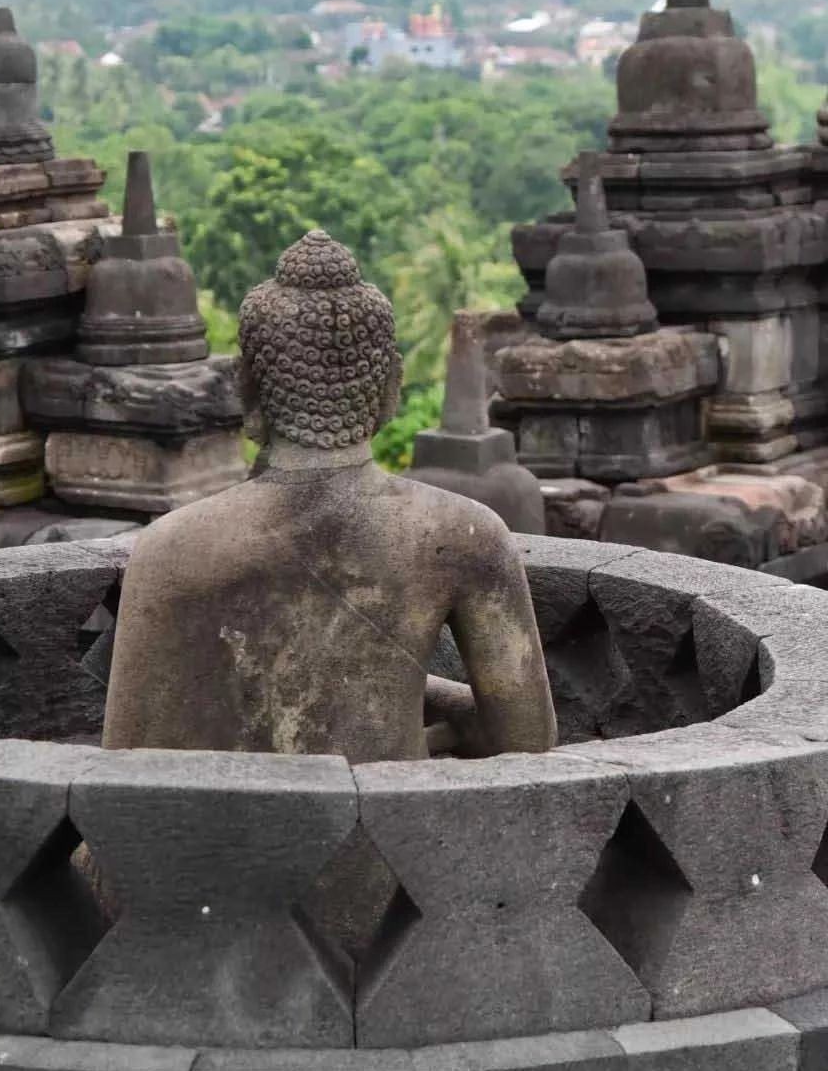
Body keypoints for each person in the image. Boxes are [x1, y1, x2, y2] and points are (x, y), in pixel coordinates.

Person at [102, 230, 556, 764]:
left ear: (246, 386)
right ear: (391, 388)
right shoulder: (464, 535)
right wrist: (426, 693)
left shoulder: (169, 550)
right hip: (400, 839)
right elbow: (527, 746)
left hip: (224, 844)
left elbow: (124, 773)